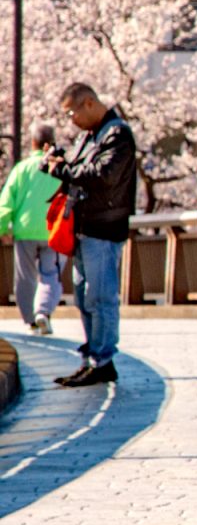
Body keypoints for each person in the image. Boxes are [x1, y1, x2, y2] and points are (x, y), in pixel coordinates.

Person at [43, 83, 137, 387]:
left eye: (72, 111)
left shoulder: (117, 134)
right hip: (84, 226)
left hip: (104, 228)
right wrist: (58, 163)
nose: (71, 119)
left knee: (101, 297)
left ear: (89, 103)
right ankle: (93, 357)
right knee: (84, 297)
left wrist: (61, 170)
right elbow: (77, 168)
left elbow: (103, 176)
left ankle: (103, 360)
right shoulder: (89, 136)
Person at [0, 123, 64, 333]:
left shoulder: (22, 168)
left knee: (25, 277)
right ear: (51, 142)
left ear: (33, 142)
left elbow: (6, 202)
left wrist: (2, 228)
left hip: (25, 229)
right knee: (50, 274)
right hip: (53, 229)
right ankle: (43, 312)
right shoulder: (60, 167)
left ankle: (31, 320)